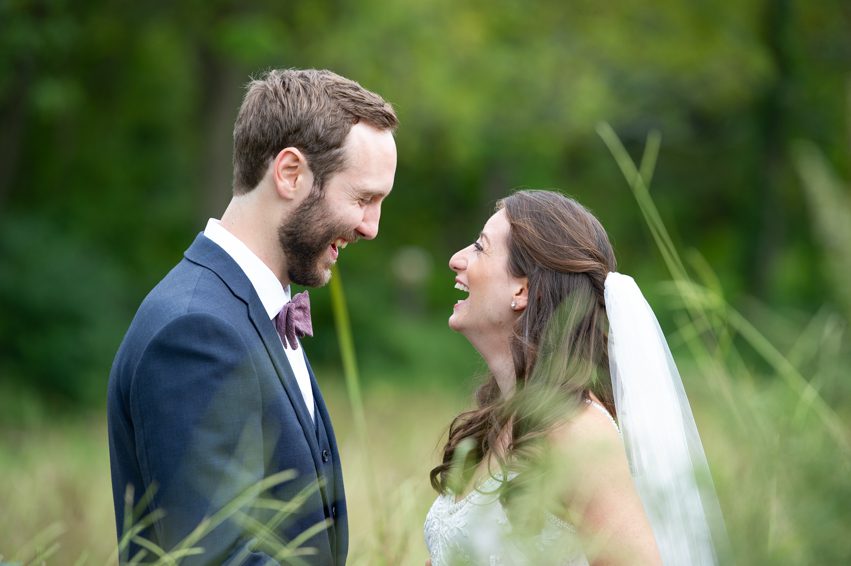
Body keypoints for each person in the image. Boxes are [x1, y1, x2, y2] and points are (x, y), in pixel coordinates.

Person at [107, 68, 398, 565]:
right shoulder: (195, 331)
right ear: (290, 173)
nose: (371, 227)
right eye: (363, 198)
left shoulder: (253, 307)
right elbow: (213, 555)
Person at [424, 190, 727, 565]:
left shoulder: (577, 432)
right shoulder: (498, 420)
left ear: (522, 289)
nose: (457, 259)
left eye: (480, 247)